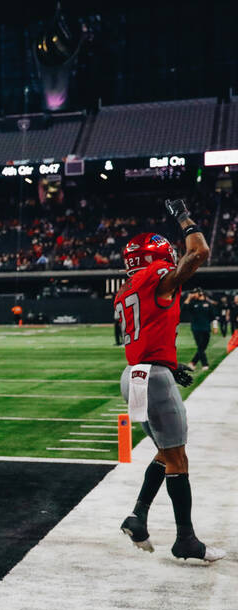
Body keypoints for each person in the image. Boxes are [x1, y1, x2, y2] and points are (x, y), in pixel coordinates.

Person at [115, 201, 224, 563]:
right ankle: (186, 540)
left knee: (166, 451)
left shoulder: (127, 287)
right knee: (177, 456)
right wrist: (182, 215)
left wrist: (169, 362)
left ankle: (138, 517)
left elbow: (145, 333)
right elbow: (199, 252)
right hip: (153, 378)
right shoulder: (156, 278)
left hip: (133, 375)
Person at [184, 288, 216, 371]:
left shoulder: (208, 304)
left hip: (206, 328)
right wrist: (189, 298)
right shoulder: (193, 303)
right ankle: (205, 364)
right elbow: (183, 309)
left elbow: (213, 317)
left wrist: (215, 327)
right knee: (200, 347)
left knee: (203, 347)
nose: (194, 294)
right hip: (196, 328)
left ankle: (192, 363)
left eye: (196, 293)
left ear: (201, 294)